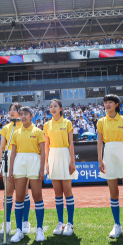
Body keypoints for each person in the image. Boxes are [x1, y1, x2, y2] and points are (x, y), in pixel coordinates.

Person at [96, 94, 123, 240]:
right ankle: (117, 225)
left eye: (110, 102)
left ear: (117, 104)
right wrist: (100, 160)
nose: (107, 105)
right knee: (113, 193)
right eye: (105, 102)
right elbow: (100, 142)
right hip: (109, 155)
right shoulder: (101, 121)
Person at [8, 106, 46, 243]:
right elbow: (13, 153)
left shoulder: (38, 131)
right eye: (21, 114)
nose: (23, 116)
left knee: (37, 196)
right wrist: (10, 170)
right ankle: (19, 231)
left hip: (34, 161)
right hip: (20, 162)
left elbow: (43, 152)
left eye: (26, 114)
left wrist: (42, 169)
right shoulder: (16, 133)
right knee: (19, 197)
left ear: (32, 116)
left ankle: (40, 230)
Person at [43, 99, 77, 236]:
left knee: (67, 191)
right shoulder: (46, 125)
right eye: (51, 106)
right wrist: (46, 162)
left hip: (65, 155)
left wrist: (72, 161)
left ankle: (70, 223)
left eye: (55, 106)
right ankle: (60, 222)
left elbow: (71, 144)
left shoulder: (67, 123)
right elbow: (46, 145)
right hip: (52, 156)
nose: (53, 108)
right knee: (57, 192)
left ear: (61, 108)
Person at [0, 102, 31, 236]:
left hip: (22, 157)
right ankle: (7, 223)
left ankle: (25, 222)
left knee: (23, 192)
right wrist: (0, 162)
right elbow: (1, 147)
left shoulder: (24, 126)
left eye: (15, 109)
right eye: (10, 109)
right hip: (8, 157)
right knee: (8, 191)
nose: (12, 112)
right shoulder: (6, 128)